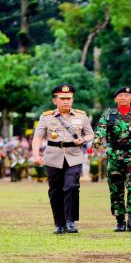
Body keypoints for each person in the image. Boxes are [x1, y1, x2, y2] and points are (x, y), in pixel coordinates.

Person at [31, 83, 94, 234]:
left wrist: (83, 140)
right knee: (55, 190)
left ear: (73, 99)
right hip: (53, 156)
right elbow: (37, 138)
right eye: (62, 98)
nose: (66, 101)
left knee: (71, 186)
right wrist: (36, 155)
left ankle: (70, 221)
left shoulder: (81, 115)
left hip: (74, 155)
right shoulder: (46, 117)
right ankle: (59, 224)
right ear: (55, 100)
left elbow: (91, 134)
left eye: (69, 98)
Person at [93, 86, 131, 232]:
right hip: (115, 155)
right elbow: (100, 130)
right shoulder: (109, 115)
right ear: (115, 99)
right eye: (120, 95)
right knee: (116, 188)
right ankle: (120, 221)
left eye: (127, 95)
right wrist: (97, 140)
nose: (124, 98)